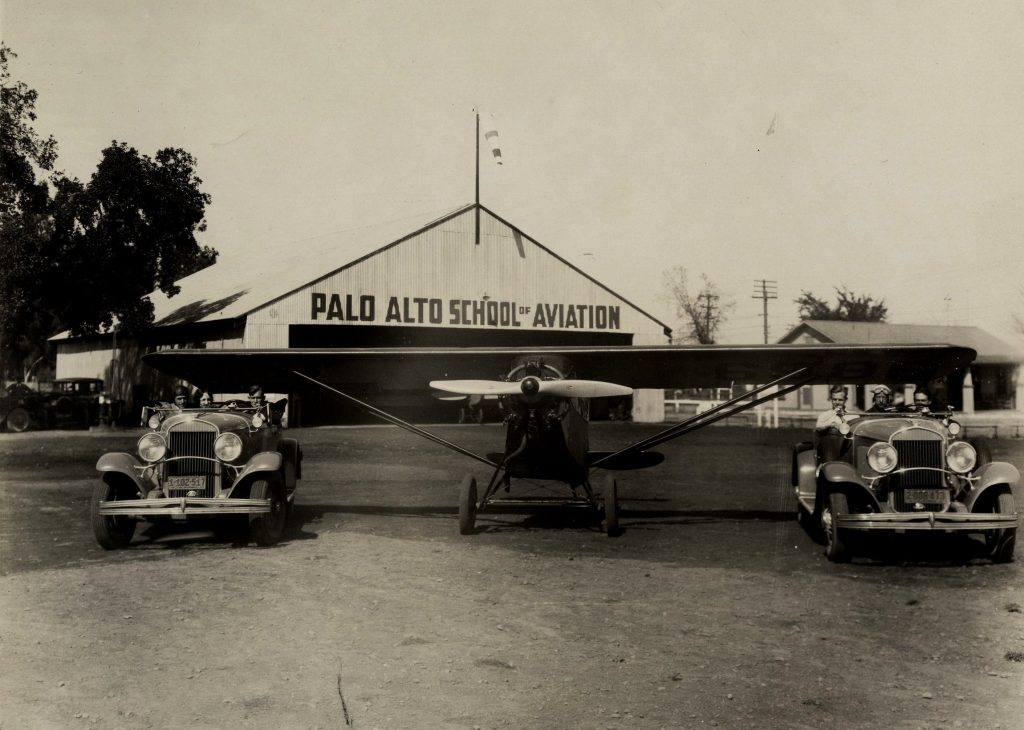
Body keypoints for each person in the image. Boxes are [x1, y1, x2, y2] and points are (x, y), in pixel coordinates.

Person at [814, 386, 857, 461]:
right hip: (828, 453)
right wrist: (831, 425)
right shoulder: (824, 415)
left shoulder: (853, 416)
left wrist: (842, 423)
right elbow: (818, 428)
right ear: (831, 399)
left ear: (845, 400)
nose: (837, 402)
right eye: (834, 399)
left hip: (849, 452)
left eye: (840, 400)